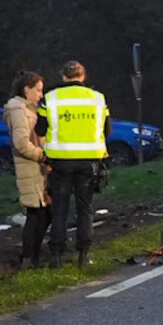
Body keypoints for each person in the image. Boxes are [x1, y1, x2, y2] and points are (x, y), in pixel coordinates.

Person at [39, 60, 110, 267]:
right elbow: (107, 130)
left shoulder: (50, 98)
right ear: (83, 76)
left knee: (60, 208)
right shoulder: (98, 99)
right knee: (85, 208)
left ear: (63, 76)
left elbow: (41, 129)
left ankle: (56, 256)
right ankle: (84, 255)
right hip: (89, 161)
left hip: (60, 161)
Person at [2, 72, 51, 268]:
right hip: (30, 168)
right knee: (37, 213)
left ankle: (32, 256)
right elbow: (21, 143)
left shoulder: (30, 109)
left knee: (43, 213)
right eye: (38, 90)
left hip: (38, 169)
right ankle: (29, 258)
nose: (41, 95)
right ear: (27, 89)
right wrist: (42, 155)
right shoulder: (19, 110)